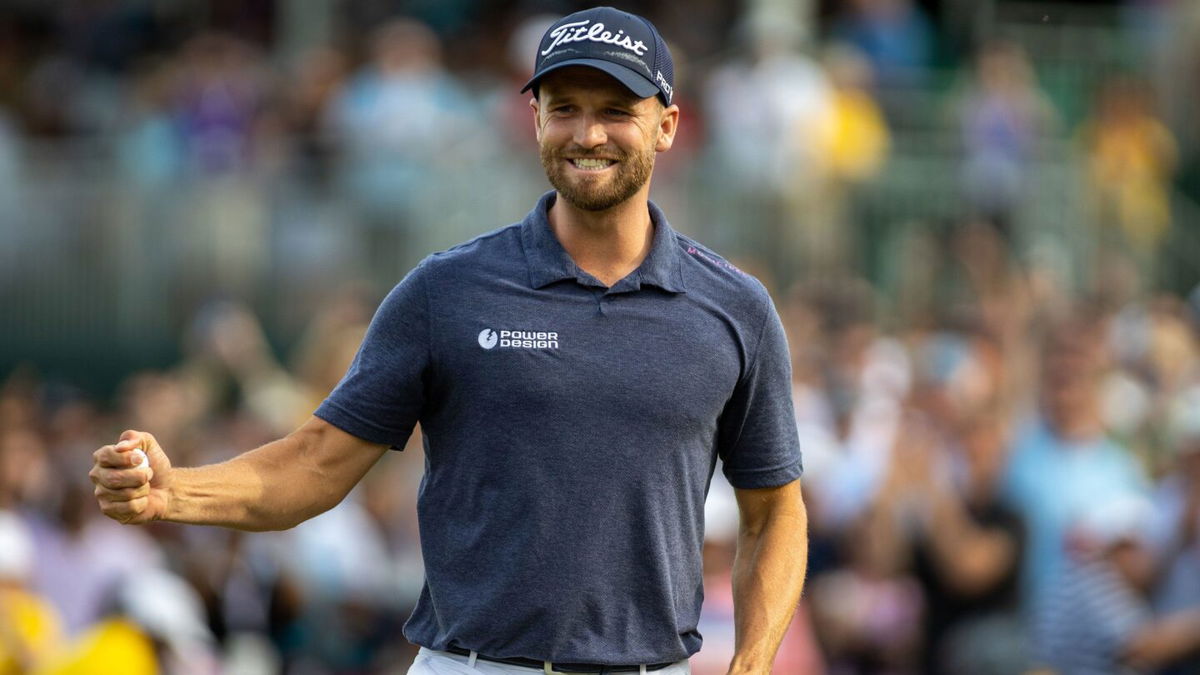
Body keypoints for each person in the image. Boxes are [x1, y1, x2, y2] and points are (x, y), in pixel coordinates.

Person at [90, 7, 808, 675]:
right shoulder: (448, 291)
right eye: (565, 110)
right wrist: (172, 492)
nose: (588, 135)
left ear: (668, 125)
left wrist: (749, 663)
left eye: (617, 111)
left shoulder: (734, 309)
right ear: (534, 120)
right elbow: (315, 464)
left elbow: (774, 512)